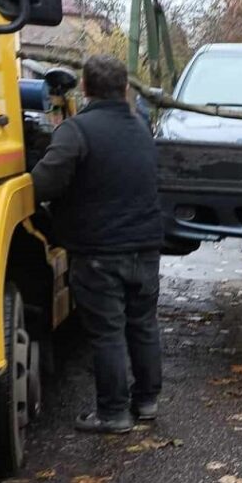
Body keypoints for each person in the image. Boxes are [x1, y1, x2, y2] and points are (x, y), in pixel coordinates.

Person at [31, 55, 164, 434]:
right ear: (125, 89)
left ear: (85, 89)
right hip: (146, 246)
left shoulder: (77, 131)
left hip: (98, 251)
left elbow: (44, 184)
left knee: (107, 332)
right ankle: (148, 401)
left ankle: (113, 413)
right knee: (142, 324)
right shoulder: (141, 126)